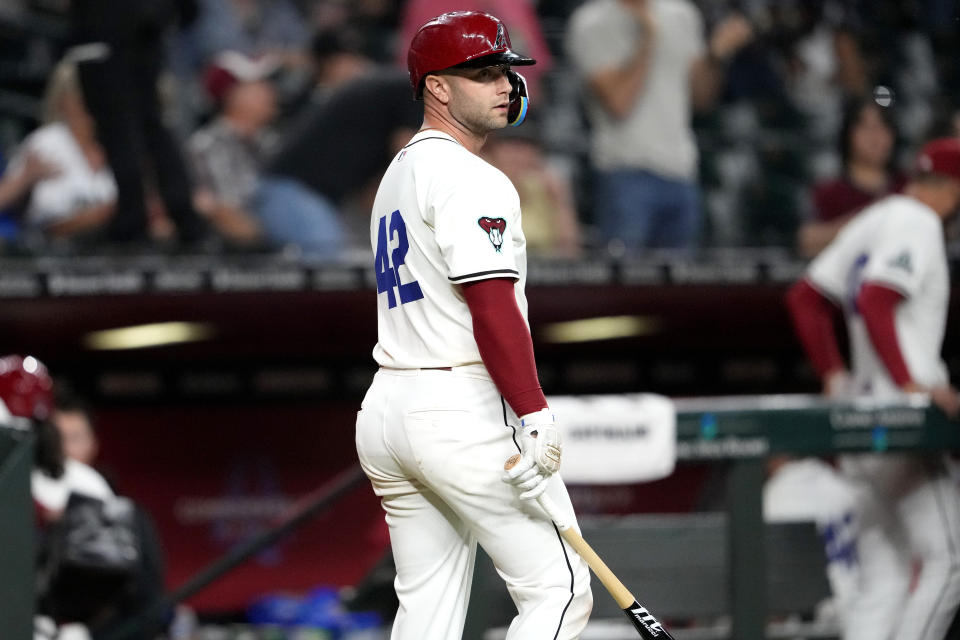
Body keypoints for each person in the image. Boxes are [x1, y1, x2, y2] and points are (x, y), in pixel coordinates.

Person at [354, 11, 592, 639]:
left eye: (506, 73)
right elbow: (490, 303)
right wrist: (534, 413)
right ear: (437, 87)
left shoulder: (398, 173)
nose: (504, 87)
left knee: (427, 613)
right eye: (484, 73)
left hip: (389, 407)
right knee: (561, 592)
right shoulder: (469, 175)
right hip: (455, 406)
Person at [785, 137, 960, 640]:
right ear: (948, 189)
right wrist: (910, 383)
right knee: (947, 559)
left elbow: (804, 299)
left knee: (885, 575)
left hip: (859, 419)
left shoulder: (875, 217)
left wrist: (834, 375)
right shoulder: (919, 222)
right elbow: (877, 298)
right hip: (901, 420)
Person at [565, 0, 753, 252]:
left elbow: (701, 98)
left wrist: (716, 55)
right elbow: (619, 103)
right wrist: (648, 40)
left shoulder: (683, 14)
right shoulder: (592, 22)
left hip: (682, 172)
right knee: (625, 285)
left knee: (679, 288)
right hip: (624, 173)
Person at [68, 0, 209, 245]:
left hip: (106, 32)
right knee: (151, 125)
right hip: (146, 33)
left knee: (119, 127)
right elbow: (189, 13)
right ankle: (184, 217)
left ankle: (133, 220)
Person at [189, 50, 348, 254]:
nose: (271, 91)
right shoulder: (207, 146)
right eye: (259, 84)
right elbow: (229, 217)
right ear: (233, 95)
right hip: (232, 262)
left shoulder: (272, 142)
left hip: (284, 254)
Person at [5, 57, 117, 245]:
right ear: (65, 100)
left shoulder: (120, 144)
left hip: (116, 252)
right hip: (52, 253)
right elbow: (44, 221)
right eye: (82, 96)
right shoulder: (46, 143)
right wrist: (25, 178)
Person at [797, 96, 906, 258]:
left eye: (883, 127)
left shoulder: (908, 187)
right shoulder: (828, 192)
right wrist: (869, 220)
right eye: (866, 127)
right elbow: (806, 241)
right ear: (848, 134)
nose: (875, 137)